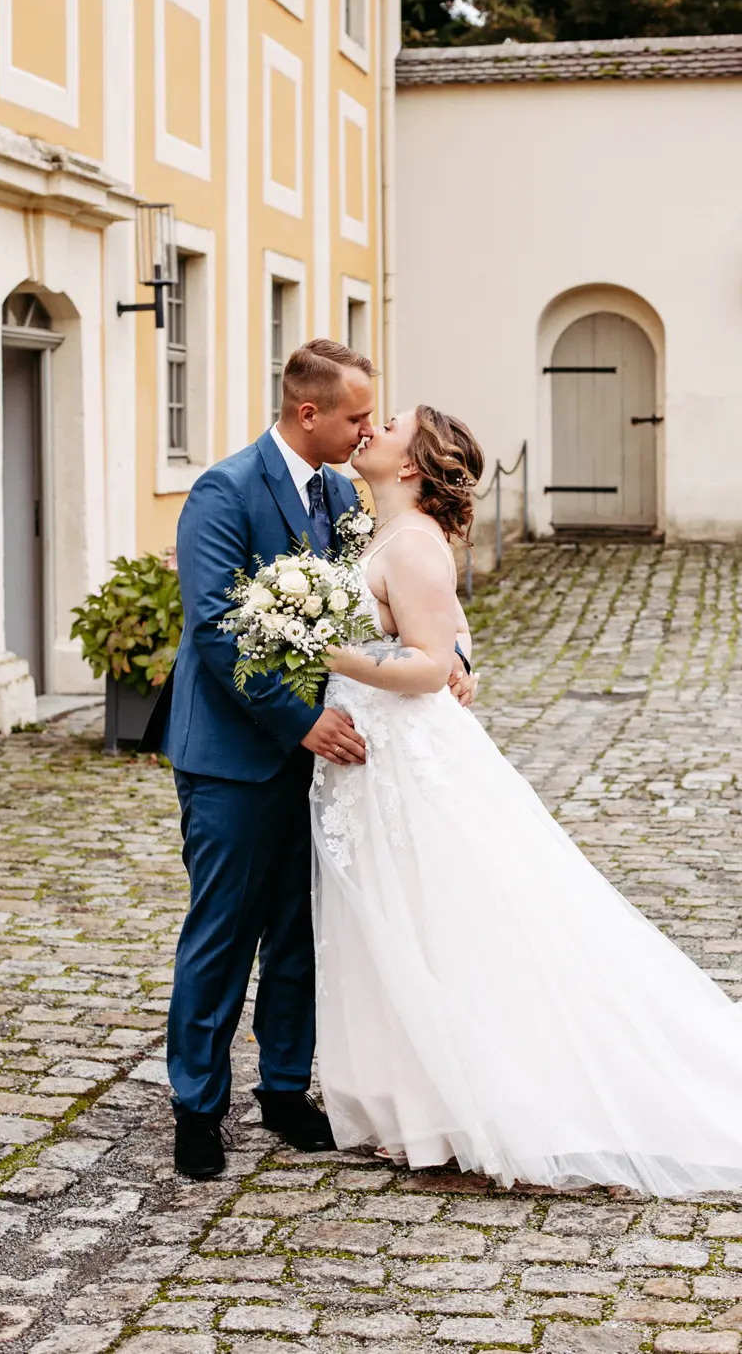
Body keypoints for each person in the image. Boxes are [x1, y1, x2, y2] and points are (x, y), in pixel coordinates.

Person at [312, 404, 742, 1195]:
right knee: (398, 922)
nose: (373, 427)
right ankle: (417, 1106)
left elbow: (427, 664)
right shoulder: (385, 533)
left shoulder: (410, 542)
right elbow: (454, 637)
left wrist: (331, 653)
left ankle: (478, 1103)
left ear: (411, 463)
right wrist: (446, 659)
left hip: (410, 763)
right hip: (374, 763)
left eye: (392, 423)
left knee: (445, 919)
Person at [141, 342, 476, 1180]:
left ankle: (286, 1090)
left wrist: (455, 659)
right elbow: (216, 628)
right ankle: (198, 1108)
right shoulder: (223, 491)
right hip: (236, 755)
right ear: (308, 413)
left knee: (301, 931)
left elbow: (402, 598)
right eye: (358, 416)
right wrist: (302, 723)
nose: (368, 429)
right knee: (224, 931)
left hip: (335, 760)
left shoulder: (343, 494)